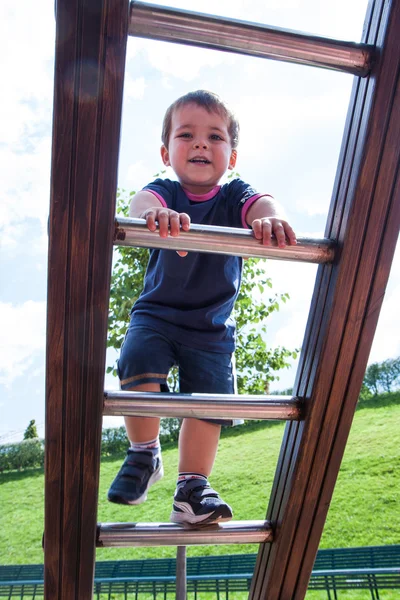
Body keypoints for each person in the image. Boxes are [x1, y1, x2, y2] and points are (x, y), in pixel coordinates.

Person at [107, 90, 296, 526]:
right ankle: (144, 454)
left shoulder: (234, 197)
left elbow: (264, 204)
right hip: (157, 314)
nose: (200, 144)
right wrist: (153, 217)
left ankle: (191, 488)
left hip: (212, 326)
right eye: (186, 134)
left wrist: (270, 219)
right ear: (165, 150)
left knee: (207, 402)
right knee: (137, 363)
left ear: (231, 157)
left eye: (215, 136)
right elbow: (140, 204)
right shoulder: (165, 191)